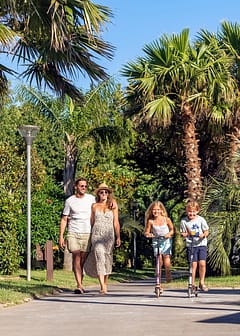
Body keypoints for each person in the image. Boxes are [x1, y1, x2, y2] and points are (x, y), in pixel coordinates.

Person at [59, 178, 95, 294]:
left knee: (82, 260)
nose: (83, 188)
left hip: (87, 232)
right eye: (81, 186)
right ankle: (79, 285)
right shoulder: (70, 201)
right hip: (73, 232)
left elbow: (98, 210)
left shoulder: (91, 199)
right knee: (76, 257)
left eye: (85, 186)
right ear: (76, 187)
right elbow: (64, 219)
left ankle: (80, 281)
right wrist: (61, 236)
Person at [84, 183, 121, 294]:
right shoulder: (94, 206)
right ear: (98, 194)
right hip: (97, 235)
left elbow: (116, 222)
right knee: (99, 256)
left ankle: (105, 282)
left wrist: (118, 236)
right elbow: (91, 221)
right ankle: (102, 286)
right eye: (101, 192)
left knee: (107, 259)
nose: (103, 194)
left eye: (106, 192)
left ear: (108, 194)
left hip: (109, 235)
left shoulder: (113, 205)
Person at [144, 201, 174, 290]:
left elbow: (172, 230)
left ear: (161, 210)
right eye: (154, 210)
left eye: (158, 209)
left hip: (166, 240)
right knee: (158, 260)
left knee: (166, 258)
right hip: (156, 241)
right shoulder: (150, 221)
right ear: (151, 211)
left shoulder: (166, 219)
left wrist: (169, 234)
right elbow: (146, 232)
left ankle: (168, 273)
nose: (156, 211)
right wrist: (148, 235)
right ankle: (158, 281)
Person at [180, 200, 209, 292]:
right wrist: (184, 234)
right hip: (191, 245)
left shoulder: (201, 219)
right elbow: (182, 232)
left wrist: (203, 235)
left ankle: (202, 282)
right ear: (186, 211)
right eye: (189, 211)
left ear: (197, 211)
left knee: (202, 263)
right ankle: (191, 283)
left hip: (201, 244)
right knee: (193, 265)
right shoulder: (184, 221)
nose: (191, 213)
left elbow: (206, 231)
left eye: (193, 211)